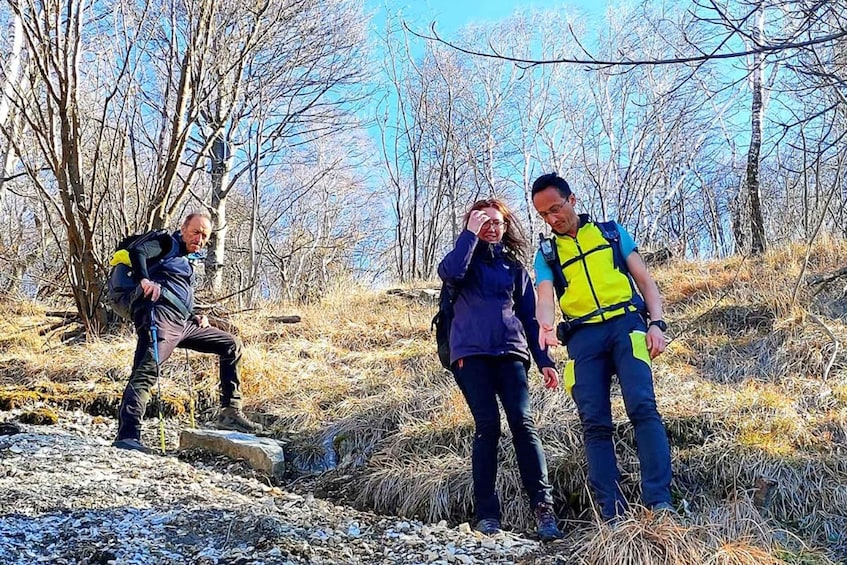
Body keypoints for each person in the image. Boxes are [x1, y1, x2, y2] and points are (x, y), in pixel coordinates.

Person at [530, 172, 674, 521]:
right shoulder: (546, 254)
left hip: (627, 326)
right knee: (594, 423)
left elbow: (645, 282)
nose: (552, 219)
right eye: (543, 215)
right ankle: (612, 513)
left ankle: (659, 502)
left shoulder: (611, 233)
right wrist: (545, 325)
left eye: (556, 208)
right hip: (583, 339)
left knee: (643, 407)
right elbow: (545, 295)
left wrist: (656, 323)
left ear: (572, 200)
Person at [437, 198, 564, 541]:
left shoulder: (514, 270)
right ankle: (487, 515)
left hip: (511, 354)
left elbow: (530, 317)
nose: (493, 227)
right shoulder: (463, 262)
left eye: (498, 222)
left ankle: (544, 510)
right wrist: (470, 235)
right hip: (471, 355)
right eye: (485, 222)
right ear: (473, 224)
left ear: (506, 228)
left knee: (524, 424)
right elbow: (450, 273)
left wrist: (545, 362)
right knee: (488, 426)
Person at [112, 212, 263, 454]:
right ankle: (128, 436)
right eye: (196, 232)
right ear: (183, 228)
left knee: (230, 344)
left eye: (205, 236)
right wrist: (143, 281)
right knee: (146, 370)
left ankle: (230, 412)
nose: (200, 239)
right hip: (159, 317)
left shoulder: (185, 261)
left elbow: (177, 293)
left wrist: (194, 315)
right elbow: (137, 253)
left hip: (183, 323)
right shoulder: (165, 243)